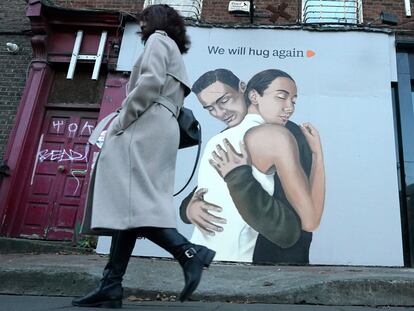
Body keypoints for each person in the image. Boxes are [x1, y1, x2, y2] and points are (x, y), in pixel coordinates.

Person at [72, 5, 215, 308]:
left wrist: (123, 119)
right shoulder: (172, 48)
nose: (141, 23)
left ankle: (188, 252)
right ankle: (111, 286)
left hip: (144, 123)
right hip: (162, 126)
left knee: (131, 201)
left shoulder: (157, 40)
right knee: (131, 205)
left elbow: (148, 83)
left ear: (156, 21)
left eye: (144, 18)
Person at [180, 69, 316, 263]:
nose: (220, 113)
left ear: (244, 89)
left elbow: (296, 222)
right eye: (210, 108)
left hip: (272, 255)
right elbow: (208, 189)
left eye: (224, 101)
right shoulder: (227, 136)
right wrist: (188, 208)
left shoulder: (287, 134)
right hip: (220, 254)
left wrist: (239, 177)